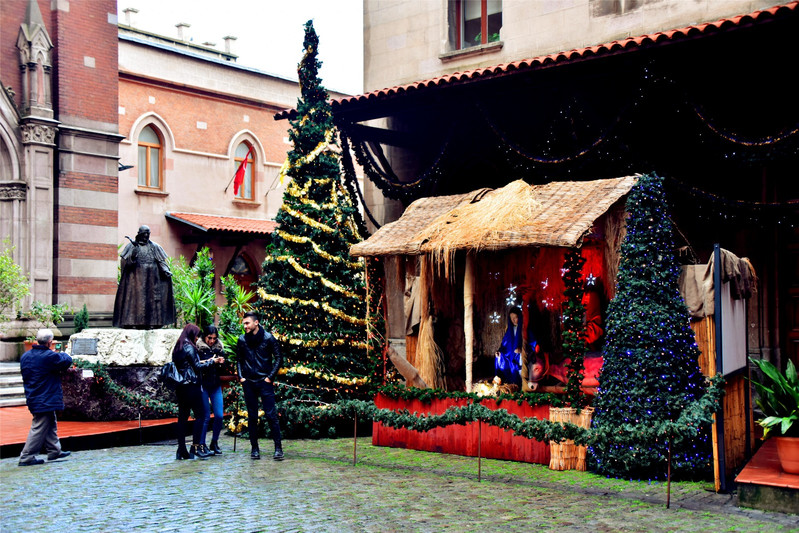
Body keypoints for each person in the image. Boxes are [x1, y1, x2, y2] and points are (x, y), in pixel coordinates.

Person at [18, 329, 73, 466]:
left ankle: (54, 451)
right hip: (45, 397)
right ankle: (27, 457)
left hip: (33, 395)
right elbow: (67, 361)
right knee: (39, 426)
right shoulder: (49, 356)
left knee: (50, 422)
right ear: (50, 342)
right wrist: (60, 353)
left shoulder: (26, 356)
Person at [237, 311, 283, 461]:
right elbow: (239, 359)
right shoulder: (242, 340)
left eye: (247, 323)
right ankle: (254, 448)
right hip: (249, 382)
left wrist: (270, 377)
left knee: (271, 415)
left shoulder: (268, 338)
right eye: (244, 323)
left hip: (264, 382)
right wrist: (241, 377)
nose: (245, 326)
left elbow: (279, 358)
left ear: (256, 323)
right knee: (252, 417)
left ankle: (278, 448)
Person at [172, 323, 222, 460]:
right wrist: (213, 362)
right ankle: (195, 447)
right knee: (201, 416)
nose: (197, 338)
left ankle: (181, 449)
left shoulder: (178, 347)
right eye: (196, 335)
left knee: (182, 418)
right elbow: (197, 366)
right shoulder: (189, 347)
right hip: (192, 386)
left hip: (180, 387)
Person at [113, 225, 176, 328]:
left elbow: (161, 261)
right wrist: (133, 253)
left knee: (151, 301)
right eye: (144, 234)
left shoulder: (155, 246)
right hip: (135, 280)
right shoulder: (131, 246)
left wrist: (165, 271)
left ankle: (152, 323)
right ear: (139, 234)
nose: (146, 236)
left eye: (148, 233)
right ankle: (132, 323)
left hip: (152, 279)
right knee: (135, 302)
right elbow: (125, 262)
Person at [197, 325, 225, 455]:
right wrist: (211, 361)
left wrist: (222, 362)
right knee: (206, 416)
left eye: (214, 338)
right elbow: (197, 365)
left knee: (219, 415)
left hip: (215, 384)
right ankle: (201, 445)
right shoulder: (198, 348)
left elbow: (224, 368)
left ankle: (214, 441)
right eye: (209, 338)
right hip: (203, 384)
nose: (212, 341)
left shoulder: (219, 348)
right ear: (204, 336)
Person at [494, 307, 524, 387]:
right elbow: (505, 345)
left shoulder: (524, 329)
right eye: (511, 318)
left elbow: (531, 343)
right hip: (511, 356)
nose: (513, 320)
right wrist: (499, 352)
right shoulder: (509, 331)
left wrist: (522, 350)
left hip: (521, 356)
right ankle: (509, 385)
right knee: (501, 359)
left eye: (515, 318)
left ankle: (520, 385)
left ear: (520, 317)